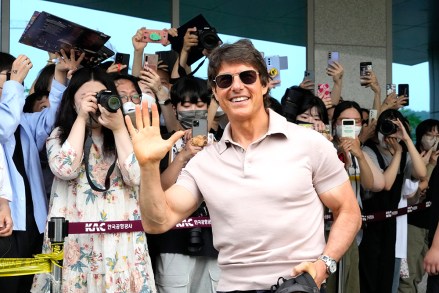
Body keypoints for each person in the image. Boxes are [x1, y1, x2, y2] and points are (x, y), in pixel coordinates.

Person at [126, 39, 361, 292]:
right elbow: (157, 221)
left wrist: (324, 265)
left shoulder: (310, 144)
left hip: (299, 286)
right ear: (215, 93)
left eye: (247, 77)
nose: (237, 86)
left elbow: (348, 211)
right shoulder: (205, 160)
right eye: (225, 81)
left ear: (264, 84)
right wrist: (149, 166)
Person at [31, 67, 156, 292]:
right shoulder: (59, 135)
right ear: (71, 102)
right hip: (76, 245)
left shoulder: (128, 135)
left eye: (99, 96)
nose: (93, 103)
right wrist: (80, 119)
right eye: (84, 98)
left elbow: (136, 176)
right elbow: (65, 169)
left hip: (120, 243)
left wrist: (118, 128)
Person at [0, 50, 75, 292]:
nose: (15, 79)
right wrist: (14, 83)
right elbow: (3, 127)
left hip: (33, 221)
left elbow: (52, 119)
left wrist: (60, 76)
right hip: (6, 223)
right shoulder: (9, 118)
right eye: (8, 75)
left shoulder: (22, 120)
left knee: (32, 284)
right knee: (7, 285)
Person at [147, 75, 220, 293]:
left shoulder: (221, 144)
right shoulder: (163, 143)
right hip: (172, 239)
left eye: (199, 105)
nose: (193, 110)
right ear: (176, 108)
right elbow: (158, 189)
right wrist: (183, 156)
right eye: (186, 105)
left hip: (215, 240)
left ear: (208, 107)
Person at [359, 109, 426, 293]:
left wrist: (406, 140)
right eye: (386, 125)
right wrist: (397, 154)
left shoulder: (404, 153)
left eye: (395, 126)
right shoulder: (368, 151)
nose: (390, 130)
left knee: (387, 278)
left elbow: (421, 173)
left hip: (391, 225)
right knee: (371, 276)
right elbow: (385, 184)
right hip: (370, 225)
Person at [325, 100, 385, 293]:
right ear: (335, 124)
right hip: (326, 229)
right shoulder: (325, 148)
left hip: (352, 228)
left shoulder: (361, 151)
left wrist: (359, 155)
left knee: (349, 282)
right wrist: (340, 154)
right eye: (345, 121)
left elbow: (373, 185)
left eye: (356, 122)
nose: (351, 126)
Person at [399, 119, 439, 292]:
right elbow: (416, 191)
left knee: (425, 272)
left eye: (437, 136)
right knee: (409, 275)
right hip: (413, 223)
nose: (433, 139)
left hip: (432, 225)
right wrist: (429, 165)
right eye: (430, 135)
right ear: (421, 135)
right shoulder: (412, 155)